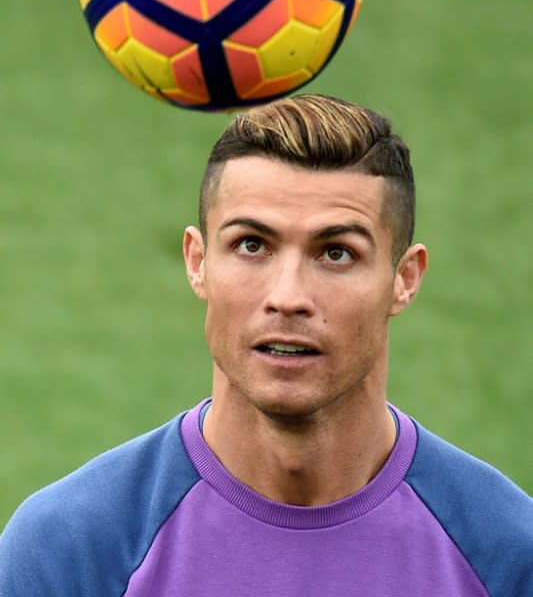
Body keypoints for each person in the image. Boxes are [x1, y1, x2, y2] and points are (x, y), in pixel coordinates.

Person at [0, 94, 531, 596]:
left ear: (404, 278)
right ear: (198, 261)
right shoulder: (68, 549)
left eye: (337, 253)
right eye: (251, 245)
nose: (288, 297)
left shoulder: (505, 553)